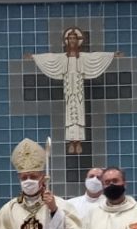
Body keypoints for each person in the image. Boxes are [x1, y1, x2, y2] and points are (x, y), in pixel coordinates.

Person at [28, 27, 122, 155]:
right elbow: (50, 58)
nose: (72, 40)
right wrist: (34, 58)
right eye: (70, 38)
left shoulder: (82, 58)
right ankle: (71, 141)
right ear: (67, 41)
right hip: (68, 90)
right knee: (69, 113)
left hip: (78, 90)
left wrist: (112, 55)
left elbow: (95, 57)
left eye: (74, 38)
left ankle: (78, 141)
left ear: (78, 41)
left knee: (79, 111)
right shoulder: (63, 58)